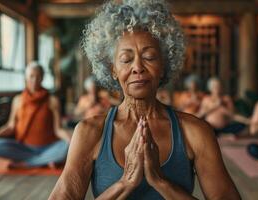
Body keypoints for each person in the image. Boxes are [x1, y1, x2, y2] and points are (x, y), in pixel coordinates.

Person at [49, 0, 240, 199]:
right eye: (126, 59)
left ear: (164, 66)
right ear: (113, 69)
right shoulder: (89, 132)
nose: (138, 67)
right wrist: (125, 183)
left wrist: (161, 182)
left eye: (149, 57)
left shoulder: (195, 132)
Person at [0, 62, 71, 168]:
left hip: (49, 147)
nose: (34, 80)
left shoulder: (52, 100)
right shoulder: (18, 100)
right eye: (31, 76)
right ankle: (44, 160)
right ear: (26, 78)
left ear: (42, 78)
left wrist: (71, 140)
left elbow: (58, 129)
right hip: (23, 147)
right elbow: (10, 127)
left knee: (67, 146)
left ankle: (26, 163)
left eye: (38, 77)